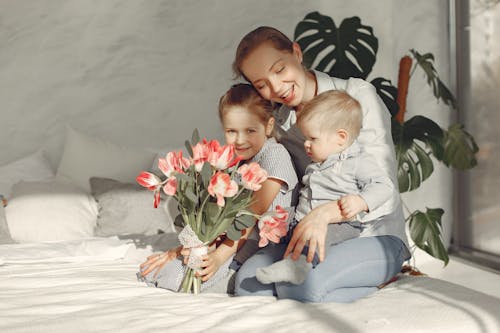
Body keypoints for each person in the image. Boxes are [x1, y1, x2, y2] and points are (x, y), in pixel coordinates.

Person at [233, 26, 411, 303]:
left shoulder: (357, 95)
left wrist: (326, 214)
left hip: (372, 234)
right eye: (261, 84)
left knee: (300, 287)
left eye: (280, 69)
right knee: (246, 284)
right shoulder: (279, 124)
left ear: (296, 52)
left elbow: (384, 190)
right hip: (309, 232)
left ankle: (378, 284)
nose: (276, 87)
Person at [138, 83, 298, 293]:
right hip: (234, 244)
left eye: (250, 130)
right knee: (155, 272)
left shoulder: (274, 154)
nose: (240, 140)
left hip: (265, 248)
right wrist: (181, 251)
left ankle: (237, 279)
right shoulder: (237, 163)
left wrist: (218, 257)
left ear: (268, 126)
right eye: (231, 131)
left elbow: (251, 214)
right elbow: (223, 221)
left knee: (172, 278)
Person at [256, 90, 398, 286]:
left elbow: (384, 186)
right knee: (276, 216)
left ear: (340, 137)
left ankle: (298, 266)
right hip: (302, 218)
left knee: (317, 237)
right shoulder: (316, 165)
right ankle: (276, 244)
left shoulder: (357, 161)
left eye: (312, 139)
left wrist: (361, 201)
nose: (306, 144)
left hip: (339, 224)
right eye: (306, 138)